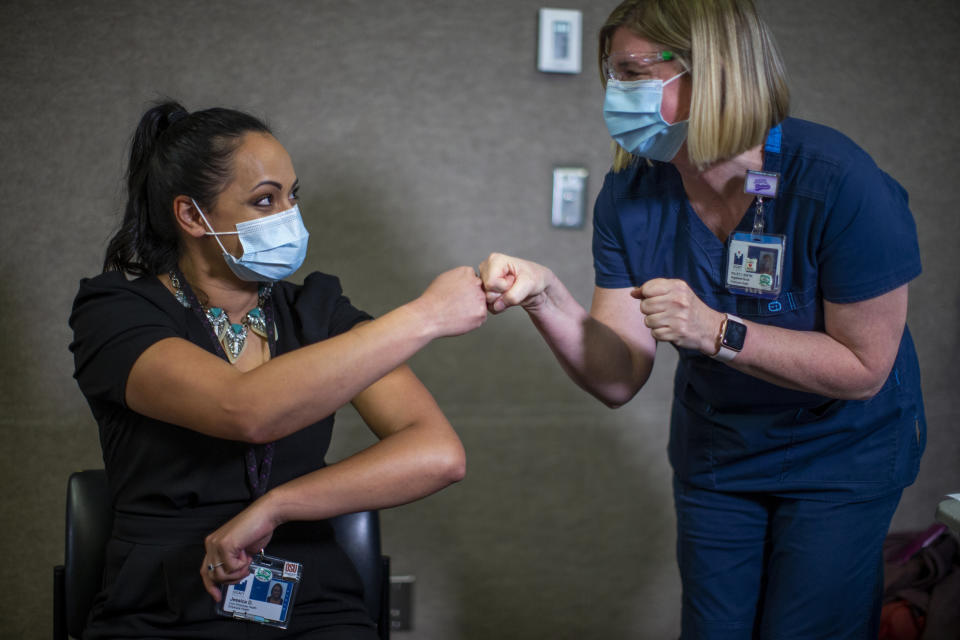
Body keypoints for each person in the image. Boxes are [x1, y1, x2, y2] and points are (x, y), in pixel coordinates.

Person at [479, 1, 925, 637]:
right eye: (611, 75)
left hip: (841, 454)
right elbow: (618, 375)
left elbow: (863, 369)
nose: (615, 93)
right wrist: (545, 296)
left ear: (711, 72)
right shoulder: (631, 192)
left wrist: (719, 332)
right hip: (722, 452)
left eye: (634, 72)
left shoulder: (835, 181)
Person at [69, 100, 487, 639]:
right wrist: (426, 315)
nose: (290, 216)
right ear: (192, 216)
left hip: (311, 600)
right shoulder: (115, 312)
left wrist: (278, 505)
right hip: (163, 605)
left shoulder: (317, 310)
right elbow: (245, 409)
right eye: (265, 200)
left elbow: (438, 455)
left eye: (293, 196)